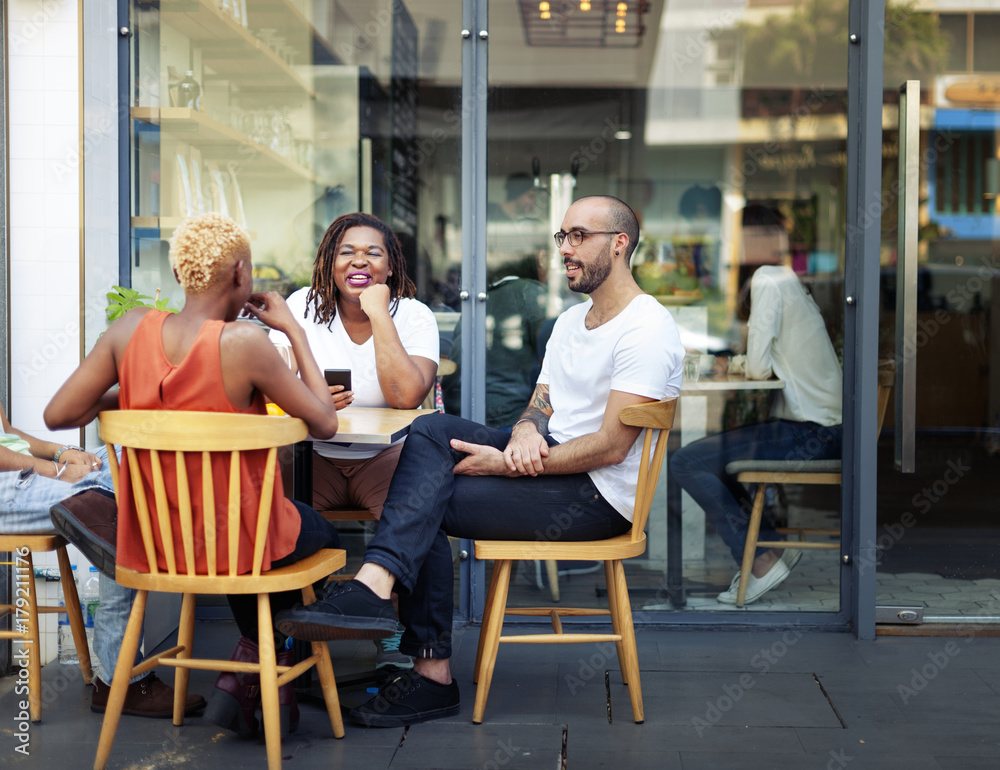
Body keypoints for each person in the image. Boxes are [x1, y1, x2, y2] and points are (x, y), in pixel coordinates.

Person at [274, 195, 684, 727]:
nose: (565, 249)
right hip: (552, 461)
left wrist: (507, 464)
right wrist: (523, 434)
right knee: (429, 428)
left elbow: (611, 446)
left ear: (620, 243)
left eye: (579, 236)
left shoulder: (646, 329)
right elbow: (541, 404)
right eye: (563, 237)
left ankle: (427, 669)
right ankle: (378, 596)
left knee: (424, 501)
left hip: (597, 497)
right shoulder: (572, 322)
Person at [44, 212, 343, 738]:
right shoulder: (246, 344)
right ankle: (262, 671)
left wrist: (135, 393)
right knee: (314, 534)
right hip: (236, 543)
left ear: (180, 277)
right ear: (241, 275)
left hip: (155, 542)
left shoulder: (130, 329)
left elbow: (59, 415)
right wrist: (294, 330)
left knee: (247, 547)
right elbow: (324, 420)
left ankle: (256, 675)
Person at [269, 211, 439, 669]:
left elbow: (406, 396)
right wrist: (308, 397)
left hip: (385, 459)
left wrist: (379, 311)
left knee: (423, 527)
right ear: (329, 261)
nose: (358, 261)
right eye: (347, 251)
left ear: (390, 266)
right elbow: (270, 387)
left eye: (372, 253)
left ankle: (399, 644)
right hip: (312, 459)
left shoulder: (414, 315)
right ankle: (280, 642)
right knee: (267, 521)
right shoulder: (302, 305)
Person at [0, 404, 206, 717]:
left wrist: (63, 453)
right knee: (121, 489)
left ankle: (117, 674)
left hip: (24, 476)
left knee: (130, 450)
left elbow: (7, 434)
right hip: (7, 489)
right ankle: (120, 677)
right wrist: (56, 472)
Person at [669, 264, 843, 605]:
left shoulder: (768, 279)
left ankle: (762, 560)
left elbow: (759, 368)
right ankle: (769, 548)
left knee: (686, 461)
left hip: (813, 433)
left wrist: (731, 356)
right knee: (709, 460)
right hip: (823, 429)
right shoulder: (791, 285)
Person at [441, 254, 550, 428]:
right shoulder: (530, 293)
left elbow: (454, 371)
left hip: (459, 415)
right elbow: (549, 364)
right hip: (512, 419)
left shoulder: (474, 305)